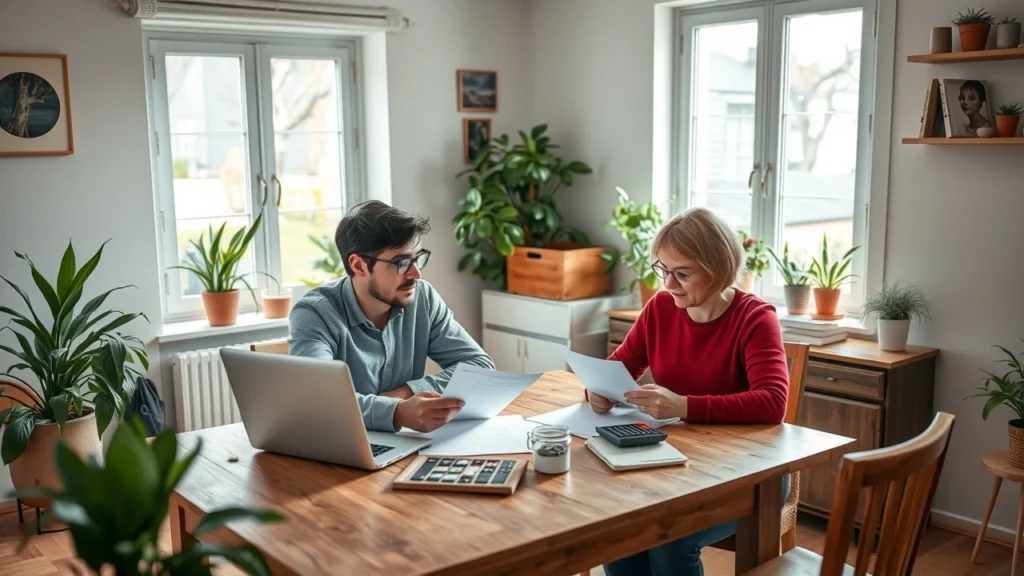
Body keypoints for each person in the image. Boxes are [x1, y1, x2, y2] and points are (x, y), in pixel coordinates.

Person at [588, 207, 791, 576]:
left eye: (682, 274)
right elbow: (619, 367)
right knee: (618, 531)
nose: (669, 284)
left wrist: (683, 405)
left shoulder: (755, 318)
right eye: (663, 270)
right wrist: (599, 389)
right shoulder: (660, 308)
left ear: (719, 269)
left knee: (670, 540)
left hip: (751, 474)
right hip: (677, 463)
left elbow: (773, 402)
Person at [289, 200, 495, 434]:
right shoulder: (314, 313)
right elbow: (319, 400)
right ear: (359, 265)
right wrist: (397, 412)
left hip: (405, 446)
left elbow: (480, 367)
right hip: (340, 445)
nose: (416, 273)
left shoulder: (423, 298)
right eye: (402, 262)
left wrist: (406, 393)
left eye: (418, 258)